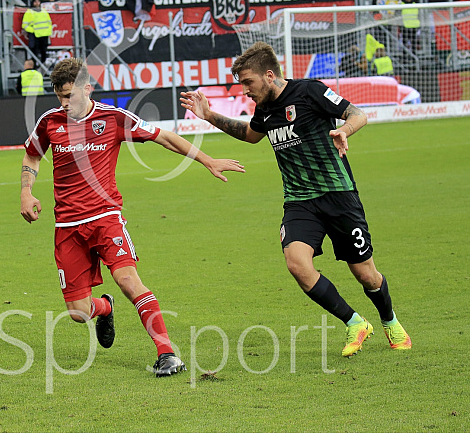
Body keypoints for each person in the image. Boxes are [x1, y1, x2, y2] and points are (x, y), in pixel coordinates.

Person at [180, 42, 411, 358]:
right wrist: (208, 115)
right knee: (297, 264)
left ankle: (389, 320)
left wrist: (345, 130)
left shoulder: (310, 91)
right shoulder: (264, 109)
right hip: (300, 202)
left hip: (338, 195)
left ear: (269, 75)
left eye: (248, 82)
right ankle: (355, 322)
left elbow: (357, 113)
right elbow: (251, 134)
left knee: (366, 274)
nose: (245, 90)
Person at [21, 58, 245, 376]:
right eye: (60, 96)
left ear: (88, 88)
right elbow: (32, 153)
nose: (65, 103)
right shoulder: (50, 122)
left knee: (128, 280)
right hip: (67, 227)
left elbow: (163, 136)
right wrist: (26, 191)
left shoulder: (113, 118)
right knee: (78, 312)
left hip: (106, 218)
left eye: (70, 95)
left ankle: (167, 353)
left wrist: (207, 160)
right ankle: (105, 307)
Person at [22, 0, 52, 65]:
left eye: (38, 2)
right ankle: (34, 67)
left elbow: (49, 22)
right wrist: (33, 30)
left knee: (43, 52)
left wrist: (48, 31)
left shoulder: (44, 11)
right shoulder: (29, 12)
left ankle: (43, 66)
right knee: (34, 52)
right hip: (35, 35)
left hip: (44, 35)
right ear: (32, 3)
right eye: (35, 2)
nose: (37, 3)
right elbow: (24, 25)